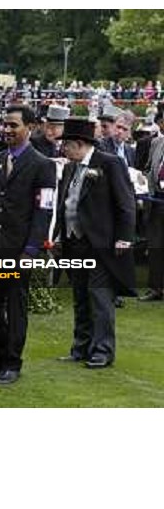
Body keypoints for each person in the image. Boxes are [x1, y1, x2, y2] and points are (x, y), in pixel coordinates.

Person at [0, 104, 56, 384]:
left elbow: (44, 211)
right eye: (5, 125)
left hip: (20, 249)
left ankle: (13, 361)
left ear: (30, 128)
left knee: (15, 304)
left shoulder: (43, 165)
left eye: (13, 125)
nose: (6, 129)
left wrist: (31, 250)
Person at [55, 118, 136, 367]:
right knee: (80, 296)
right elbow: (66, 203)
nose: (63, 150)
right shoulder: (70, 167)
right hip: (73, 241)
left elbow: (126, 203)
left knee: (99, 297)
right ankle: (80, 347)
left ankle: (102, 351)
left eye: (66, 145)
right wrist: (59, 234)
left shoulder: (110, 163)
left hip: (100, 243)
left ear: (79, 144)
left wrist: (124, 237)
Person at [139, 108, 164, 302]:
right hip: (157, 201)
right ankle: (156, 288)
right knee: (155, 245)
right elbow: (148, 168)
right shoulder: (156, 143)